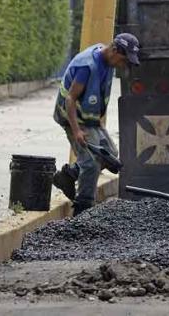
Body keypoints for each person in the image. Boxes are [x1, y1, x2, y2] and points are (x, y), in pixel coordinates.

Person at [52, 33, 141, 216]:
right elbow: (70, 99)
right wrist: (76, 131)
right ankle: (83, 209)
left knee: (111, 156)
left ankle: (69, 175)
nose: (124, 65)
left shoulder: (107, 61)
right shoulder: (87, 66)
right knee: (91, 165)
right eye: (124, 60)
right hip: (72, 118)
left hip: (90, 120)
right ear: (114, 50)